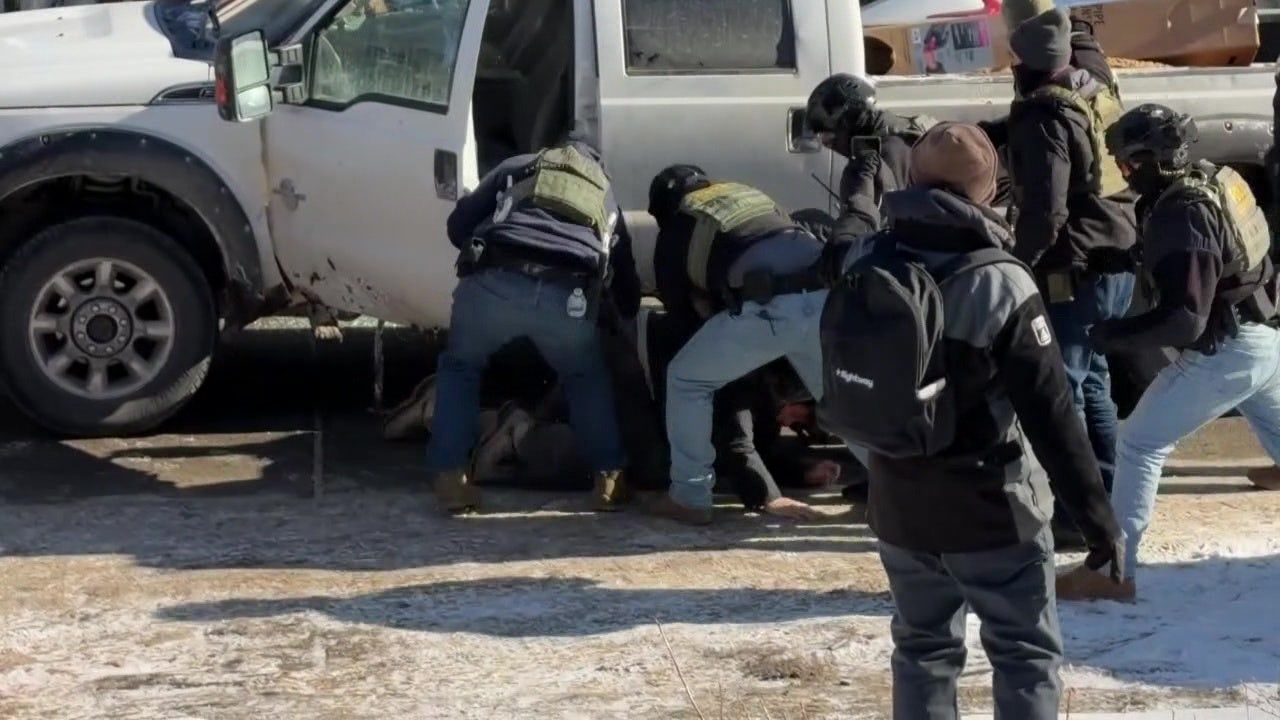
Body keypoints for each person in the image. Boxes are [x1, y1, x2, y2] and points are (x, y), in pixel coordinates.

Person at [823, 122, 1123, 719]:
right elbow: (1053, 418)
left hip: (899, 504)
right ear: (988, 191)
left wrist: (860, 183)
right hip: (993, 511)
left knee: (922, 649)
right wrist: (1099, 525)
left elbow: (845, 237)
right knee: (1024, 654)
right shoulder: (1001, 281)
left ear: (912, 178)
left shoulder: (867, 258)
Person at [1058, 105, 1280, 602]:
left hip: (1229, 351)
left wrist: (1112, 335)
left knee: (1139, 443)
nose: (1123, 172)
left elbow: (1185, 320)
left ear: (1152, 159)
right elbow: (1212, 253)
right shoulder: (1203, 179)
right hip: (1265, 338)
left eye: (1127, 162)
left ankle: (1112, 570)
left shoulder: (1183, 213)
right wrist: (1125, 258)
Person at [426, 134, 639, 514]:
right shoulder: (605, 195)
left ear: (552, 151)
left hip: (496, 280)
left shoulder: (518, 166)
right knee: (584, 376)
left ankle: (451, 480)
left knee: (460, 368)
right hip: (568, 295)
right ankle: (609, 480)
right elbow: (626, 287)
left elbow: (457, 227)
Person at [1002, 7, 1138, 548]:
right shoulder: (1092, 87)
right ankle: (1107, 494)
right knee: (1096, 380)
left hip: (1074, 266)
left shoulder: (1043, 115)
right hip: (1116, 253)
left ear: (1027, 63)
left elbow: (1046, 211)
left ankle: (1079, 516)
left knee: (1068, 389)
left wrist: (1017, 263)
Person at [646, 164, 830, 524]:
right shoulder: (746, 193)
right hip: (825, 297)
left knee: (687, 379)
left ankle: (690, 496)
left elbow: (684, 323)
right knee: (842, 404)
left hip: (770, 304)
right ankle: (898, 500)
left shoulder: (680, 223)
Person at [805, 73, 928, 207]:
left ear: (850, 122)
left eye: (830, 136)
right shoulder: (890, 132)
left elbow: (891, 214)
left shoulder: (889, 152)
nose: (827, 144)